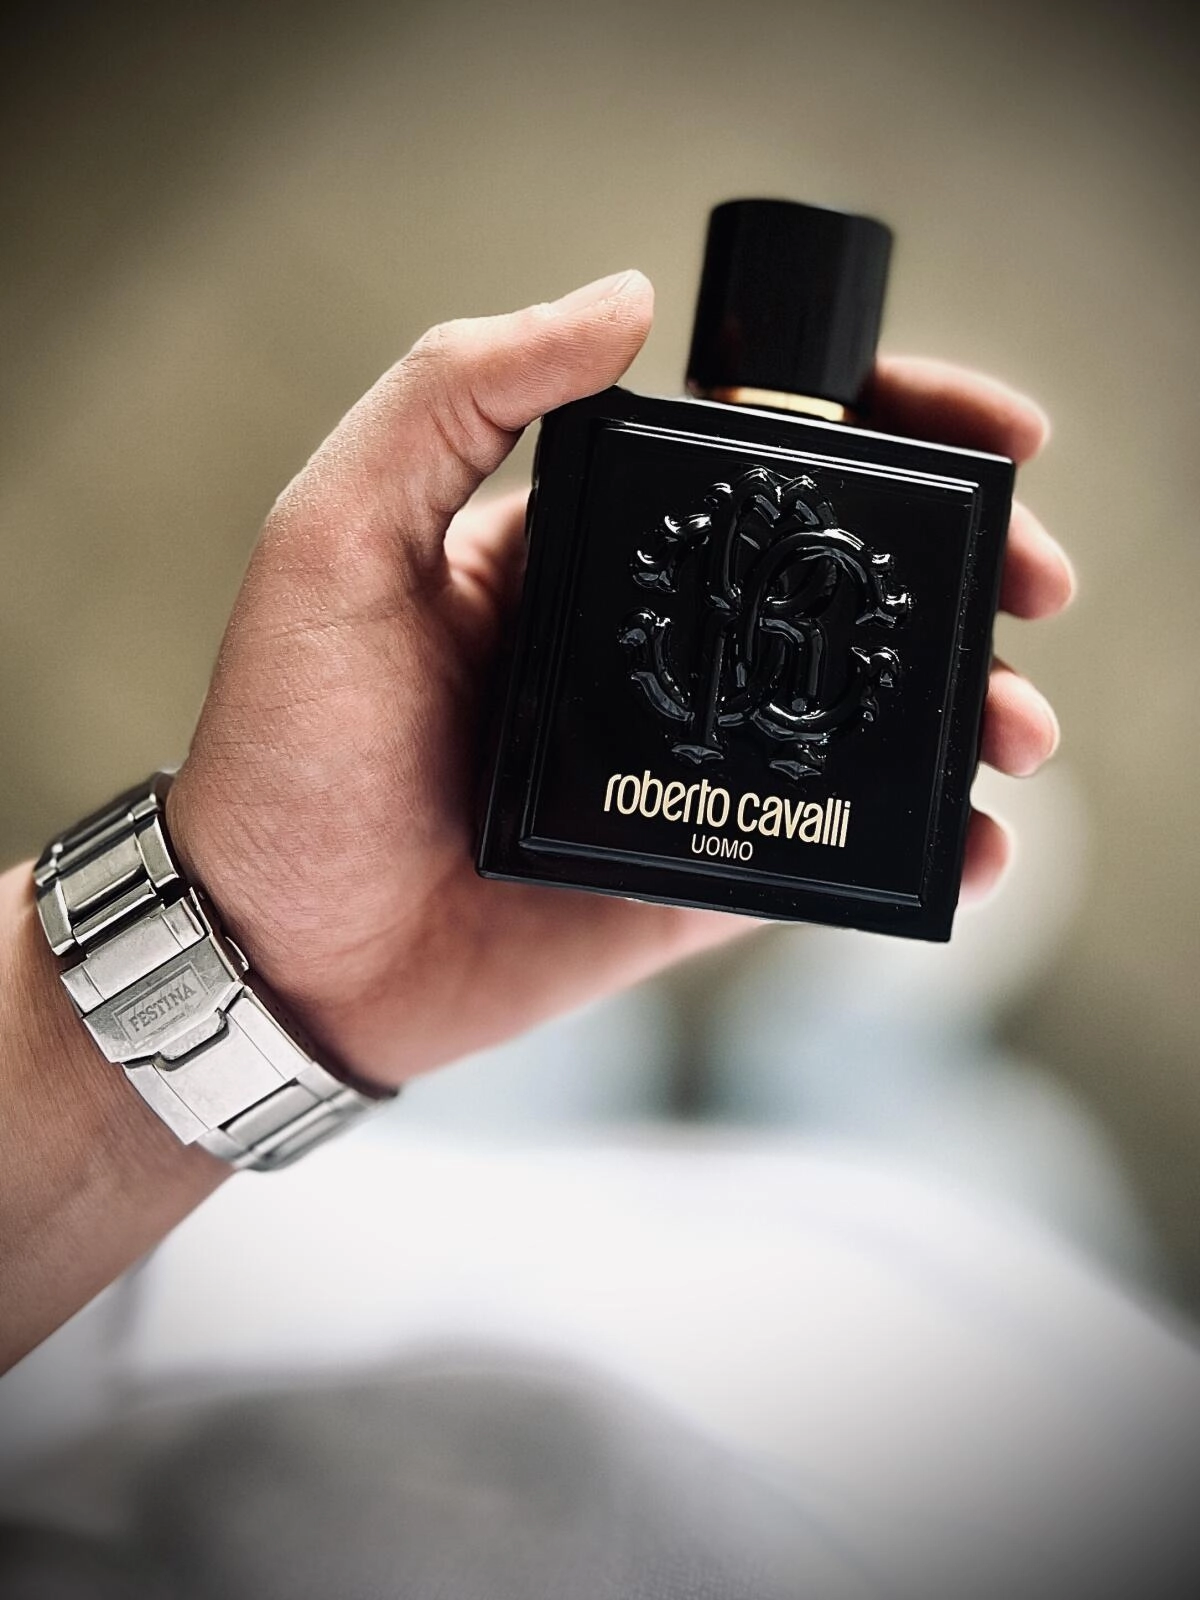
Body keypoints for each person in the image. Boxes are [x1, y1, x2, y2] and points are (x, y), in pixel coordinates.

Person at [0, 268, 1071, 1374]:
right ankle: (846, 1035)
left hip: (400, 1240)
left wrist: (258, 962)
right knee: (945, 1147)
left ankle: (797, 1022)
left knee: (537, 1055)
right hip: (794, 1311)